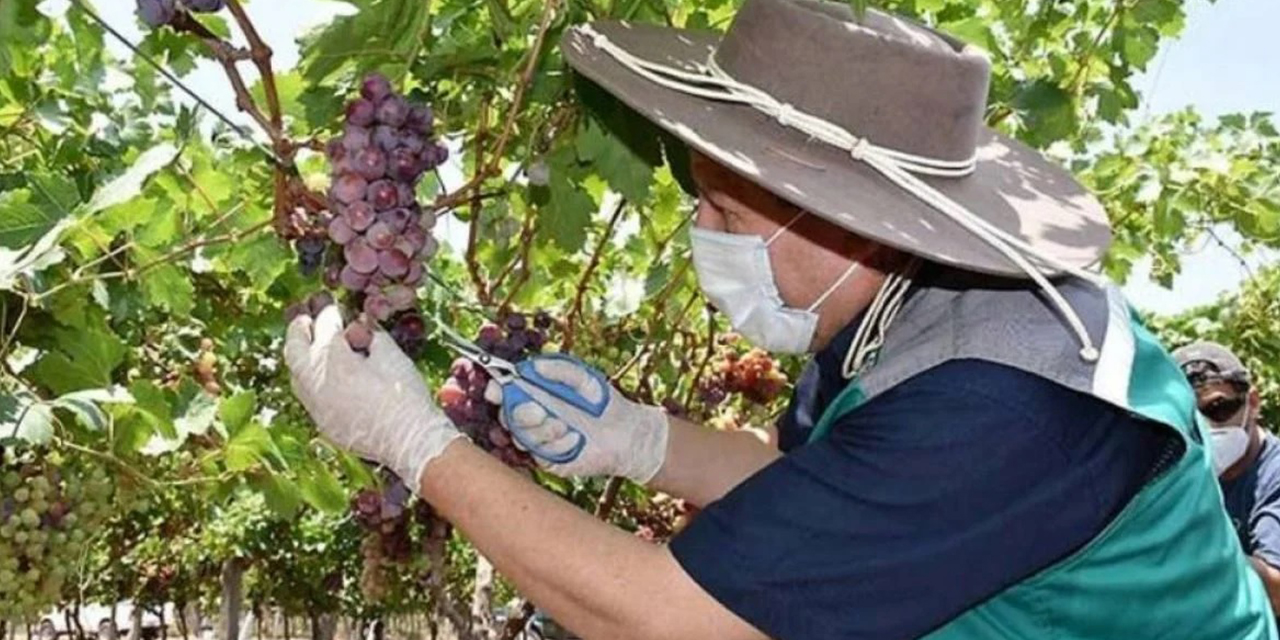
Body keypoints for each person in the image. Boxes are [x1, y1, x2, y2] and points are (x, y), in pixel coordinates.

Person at [284, 0, 1277, 638]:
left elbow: (668, 620)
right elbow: (837, 491)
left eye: (723, 208)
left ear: (855, 224)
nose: (697, 228)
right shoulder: (897, 316)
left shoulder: (1001, 394)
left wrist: (418, 446)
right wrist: (641, 440)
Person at [1175, 341, 1280, 614]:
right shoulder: (1184, 470)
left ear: (1253, 404)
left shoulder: (1274, 472)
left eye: (1218, 408)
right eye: (1191, 420)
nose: (1208, 429)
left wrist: (1188, 547)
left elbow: (1278, 588)